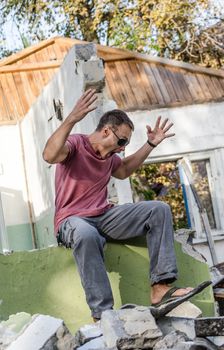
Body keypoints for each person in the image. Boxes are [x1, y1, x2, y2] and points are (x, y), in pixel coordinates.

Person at [43, 89, 192, 321]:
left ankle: (160, 287)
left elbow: (123, 171)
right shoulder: (75, 144)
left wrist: (150, 144)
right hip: (71, 220)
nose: (123, 148)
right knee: (86, 234)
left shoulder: (109, 158)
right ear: (105, 131)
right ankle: (102, 314)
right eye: (121, 141)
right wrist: (71, 118)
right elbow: (50, 155)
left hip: (103, 217)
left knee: (158, 209)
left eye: (125, 144)